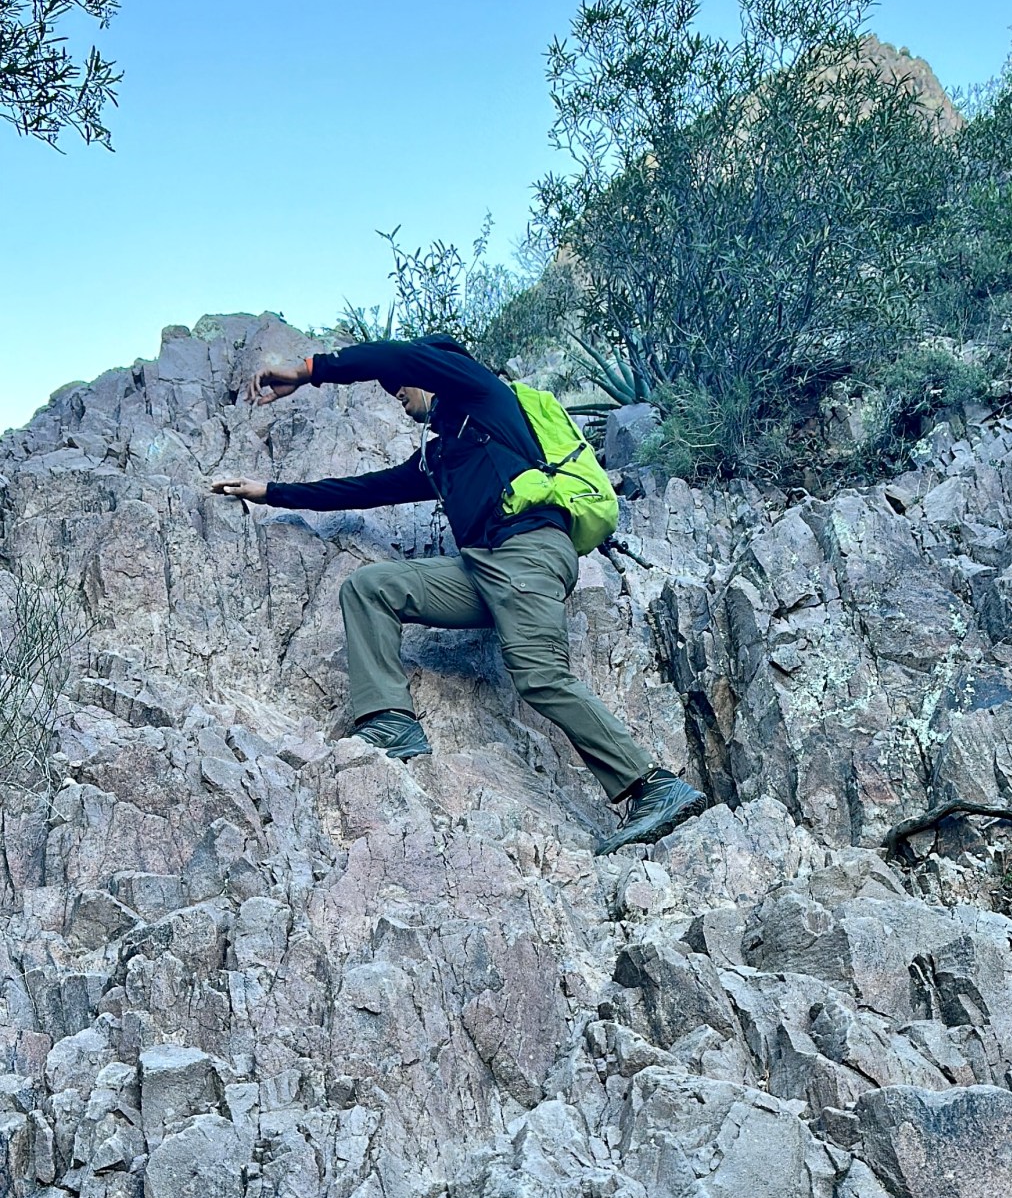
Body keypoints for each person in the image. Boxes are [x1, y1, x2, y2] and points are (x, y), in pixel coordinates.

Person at [212, 333, 706, 855]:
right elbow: (366, 489)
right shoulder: (441, 455)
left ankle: (652, 785)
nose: (395, 394)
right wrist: (269, 493)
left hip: (529, 551)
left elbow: (397, 356)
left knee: (539, 675)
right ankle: (390, 723)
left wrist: (309, 370)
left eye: (399, 386)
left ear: (434, 372)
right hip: (481, 569)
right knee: (370, 587)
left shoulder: (483, 394)